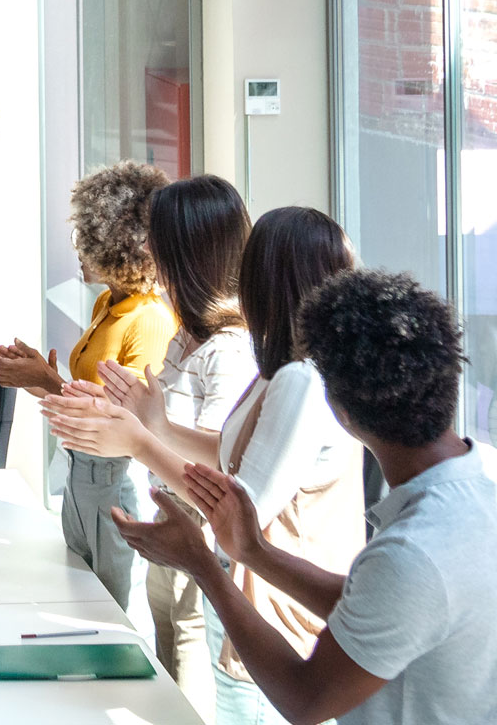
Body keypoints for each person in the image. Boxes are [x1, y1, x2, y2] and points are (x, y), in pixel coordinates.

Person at [114, 269, 497, 724]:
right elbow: (372, 602)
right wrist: (253, 551)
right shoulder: (475, 495)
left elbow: (306, 699)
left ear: (341, 410)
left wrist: (203, 566)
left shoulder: (412, 553)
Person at [44, 207, 364, 724]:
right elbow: (228, 453)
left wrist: (142, 443)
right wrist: (156, 425)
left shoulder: (299, 380)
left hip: (276, 614)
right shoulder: (281, 371)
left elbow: (240, 511)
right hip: (252, 603)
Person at [0, 160, 176, 648]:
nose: (79, 252)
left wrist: (47, 380)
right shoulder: (107, 304)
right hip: (79, 472)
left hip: (116, 482)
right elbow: (93, 396)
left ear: (118, 247)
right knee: (78, 601)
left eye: (85, 241)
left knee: (115, 617)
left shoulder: (149, 319)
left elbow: (130, 421)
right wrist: (43, 380)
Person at [137, 174, 257, 721]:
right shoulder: (187, 336)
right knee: (167, 642)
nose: (148, 257)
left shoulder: (231, 349)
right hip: (169, 515)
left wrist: (142, 427)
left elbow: (218, 457)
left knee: (190, 661)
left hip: (201, 533)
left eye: (158, 247)